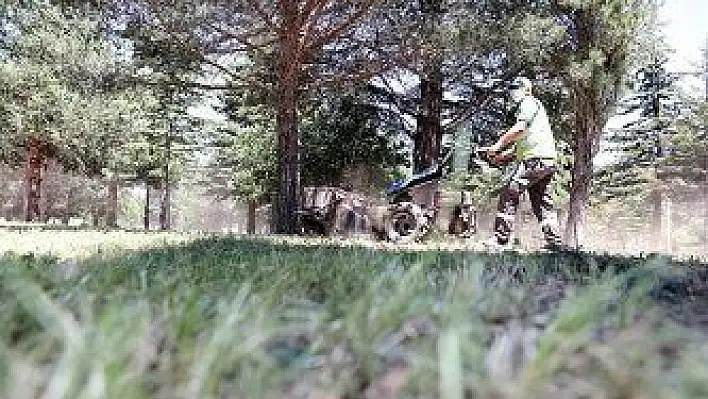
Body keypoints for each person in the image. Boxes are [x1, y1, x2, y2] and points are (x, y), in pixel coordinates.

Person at [481, 76, 563, 251]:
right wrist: (500, 157)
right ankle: (554, 242)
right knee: (542, 202)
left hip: (536, 160)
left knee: (510, 192)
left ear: (527, 89)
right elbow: (519, 147)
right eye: (511, 87)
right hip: (547, 161)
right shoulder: (535, 112)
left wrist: (497, 144)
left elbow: (519, 129)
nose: (513, 91)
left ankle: (500, 240)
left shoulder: (528, 102)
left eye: (516, 87)